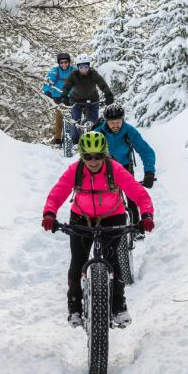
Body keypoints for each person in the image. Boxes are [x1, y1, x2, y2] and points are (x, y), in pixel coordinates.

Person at [42, 130, 154, 328]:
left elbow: (139, 195)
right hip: (81, 218)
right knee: (77, 262)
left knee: (113, 261)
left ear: (105, 154)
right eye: (88, 157)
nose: (93, 161)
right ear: (82, 156)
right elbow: (57, 192)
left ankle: (119, 307)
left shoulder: (116, 169)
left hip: (112, 216)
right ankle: (74, 308)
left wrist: (146, 215)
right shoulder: (75, 170)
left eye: (98, 156)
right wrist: (50, 213)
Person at [93, 104, 156, 233]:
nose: (115, 125)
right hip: (104, 168)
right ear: (106, 121)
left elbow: (146, 151)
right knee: (102, 196)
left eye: (118, 122)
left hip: (125, 166)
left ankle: (135, 228)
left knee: (131, 196)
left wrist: (149, 172)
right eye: (112, 122)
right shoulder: (99, 132)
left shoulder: (129, 131)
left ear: (123, 120)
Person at [61, 54, 114, 142]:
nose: (84, 70)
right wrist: (64, 96)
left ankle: (93, 140)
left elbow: (102, 84)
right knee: (76, 121)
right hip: (76, 100)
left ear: (89, 66)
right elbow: (67, 86)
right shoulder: (74, 74)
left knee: (94, 123)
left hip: (92, 100)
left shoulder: (93, 73)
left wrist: (108, 95)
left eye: (86, 67)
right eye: (81, 67)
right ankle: (75, 140)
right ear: (78, 67)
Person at [42, 52, 74, 144]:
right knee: (59, 116)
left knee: (75, 116)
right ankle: (58, 138)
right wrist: (47, 90)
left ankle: (74, 137)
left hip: (71, 97)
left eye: (66, 62)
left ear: (69, 62)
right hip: (58, 97)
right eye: (62, 62)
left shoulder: (73, 70)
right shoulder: (55, 70)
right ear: (59, 63)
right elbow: (49, 80)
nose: (64, 64)